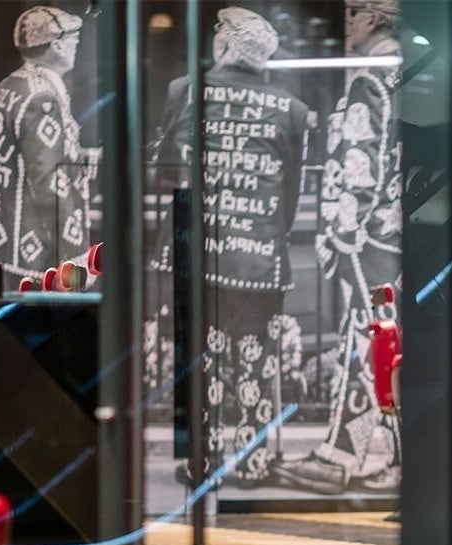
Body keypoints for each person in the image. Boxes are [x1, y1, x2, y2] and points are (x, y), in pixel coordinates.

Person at [150, 7, 311, 488]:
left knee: (198, 358)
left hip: (194, 250)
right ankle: (252, 464)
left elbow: (164, 170)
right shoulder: (292, 110)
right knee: (256, 360)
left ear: (222, 44)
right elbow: (291, 193)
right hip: (258, 256)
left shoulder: (183, 91)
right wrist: (266, 231)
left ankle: (202, 462)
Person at [300, 0, 403, 493]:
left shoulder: (370, 80)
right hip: (396, 232)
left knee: (369, 341)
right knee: (381, 340)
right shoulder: (407, 76)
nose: (345, 25)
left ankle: (351, 453)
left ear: (372, 17)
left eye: (351, 13)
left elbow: (362, 162)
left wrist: (345, 230)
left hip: (367, 237)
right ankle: (374, 454)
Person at [0, 6, 97, 289]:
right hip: (35, 255)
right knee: (45, 317)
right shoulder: (42, 98)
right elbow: (48, 182)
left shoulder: (11, 85)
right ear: (57, 45)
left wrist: (86, 157)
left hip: (7, 244)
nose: (77, 44)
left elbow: (29, 157)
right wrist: (74, 260)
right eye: (72, 38)